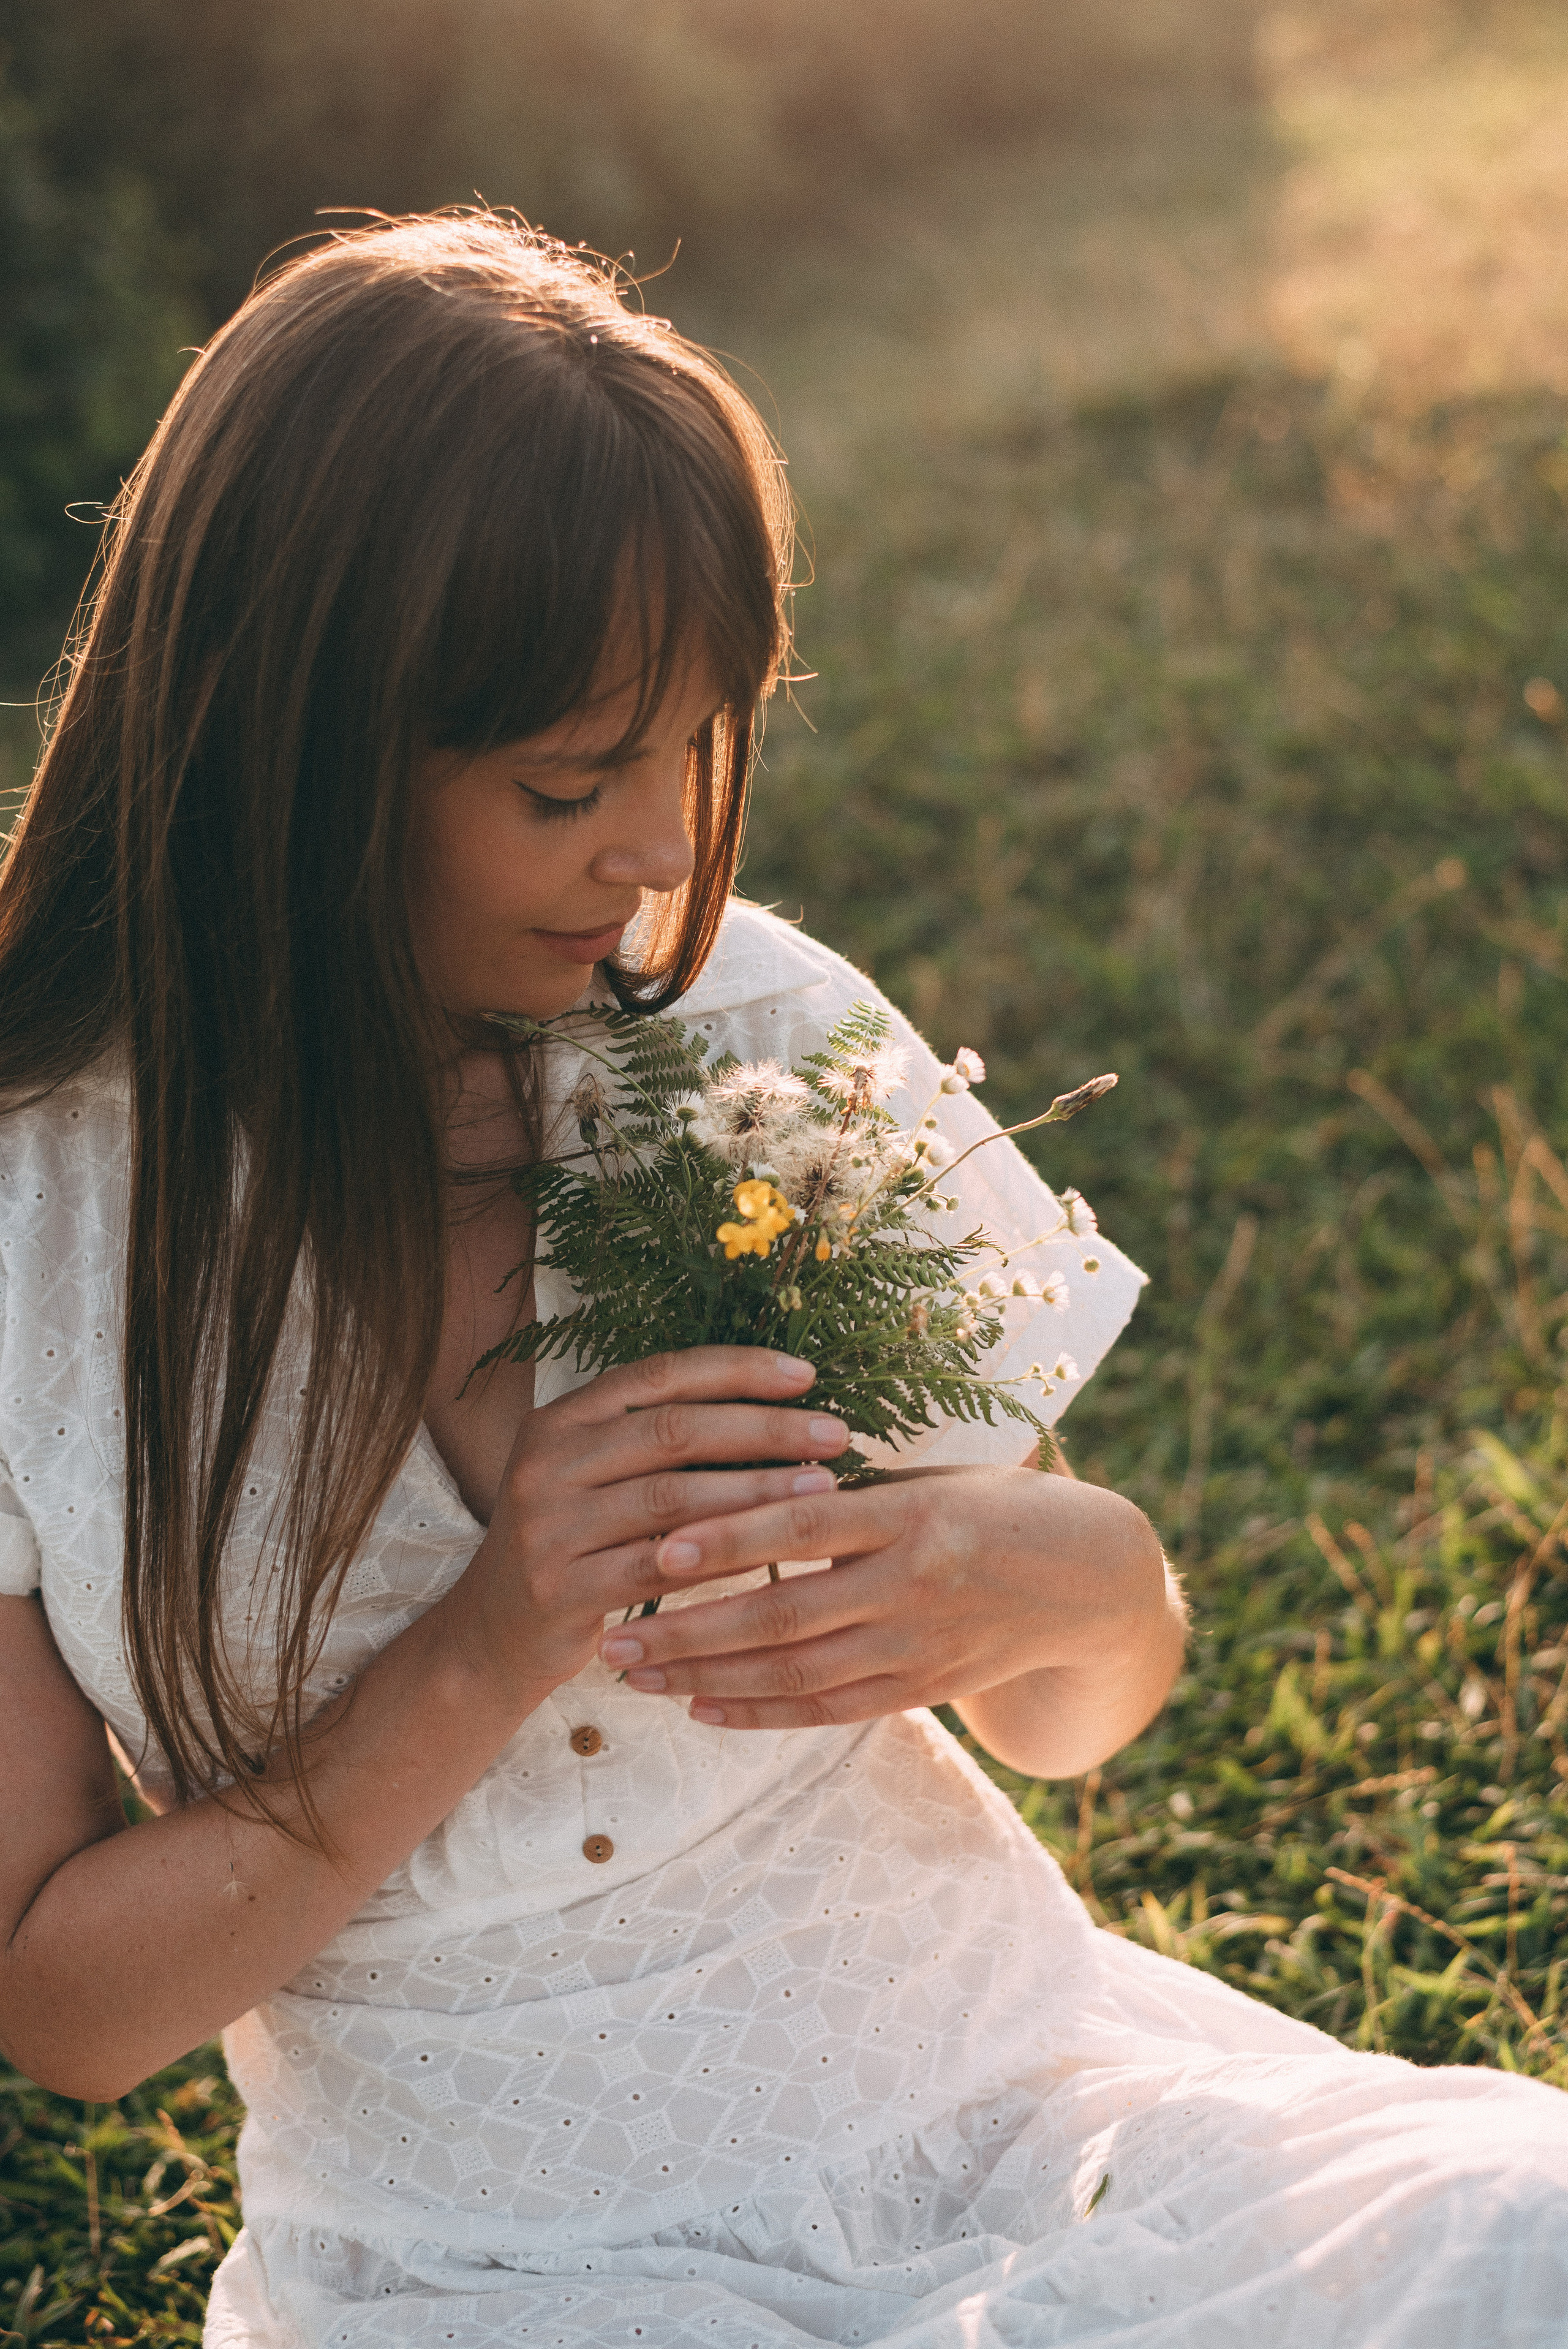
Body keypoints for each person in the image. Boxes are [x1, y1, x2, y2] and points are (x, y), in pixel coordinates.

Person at [0, 214, 1562, 2349]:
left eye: (690, 749)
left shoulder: (741, 1036)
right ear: (303, 749)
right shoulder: (36, 1216)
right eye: (565, 783)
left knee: (1527, 2231)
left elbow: (1076, 1695)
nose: (658, 850)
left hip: (1016, 2107)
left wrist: (1068, 1573)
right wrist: (485, 1638)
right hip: (507, 2267)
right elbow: (70, 2006)